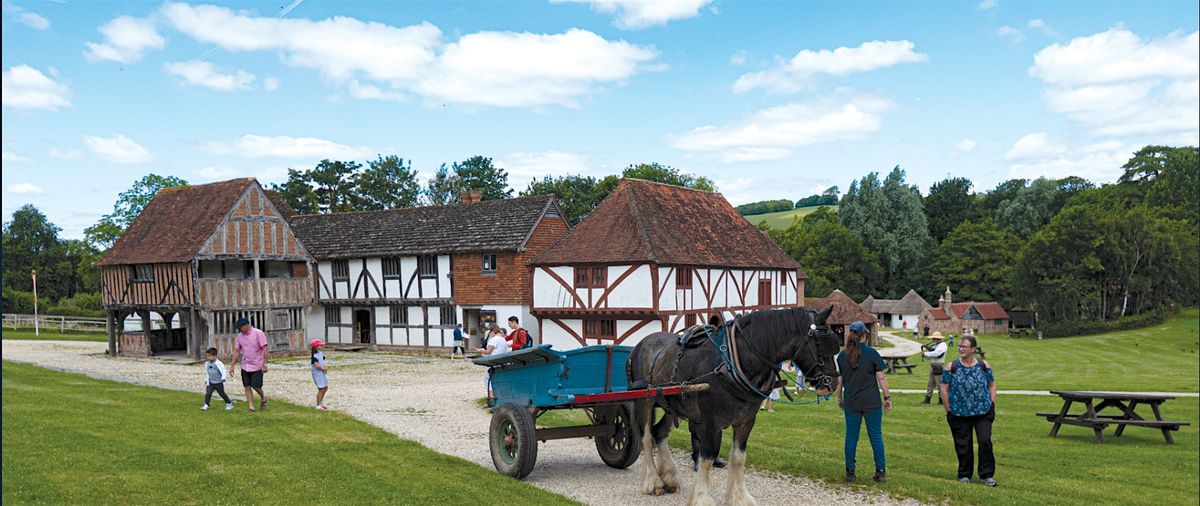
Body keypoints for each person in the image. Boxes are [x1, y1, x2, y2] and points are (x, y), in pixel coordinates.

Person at [834, 320, 891, 484]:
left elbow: (840, 380)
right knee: (876, 436)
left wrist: (839, 398)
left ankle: (850, 472)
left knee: (851, 437)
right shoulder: (871, 353)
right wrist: (887, 398)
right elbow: (881, 377)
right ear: (864, 335)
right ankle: (880, 472)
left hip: (851, 400)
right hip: (871, 401)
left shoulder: (842, 356)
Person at [940, 334, 998, 487]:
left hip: (983, 412)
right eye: (960, 346)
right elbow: (944, 389)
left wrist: (992, 404)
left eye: (964, 346)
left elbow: (991, 385)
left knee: (985, 441)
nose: (961, 349)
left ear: (973, 349)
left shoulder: (983, 365)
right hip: (959, 413)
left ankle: (986, 475)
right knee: (963, 444)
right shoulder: (951, 367)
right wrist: (948, 409)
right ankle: (964, 474)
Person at [230, 317, 269, 413]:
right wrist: (232, 365)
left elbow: (265, 349)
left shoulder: (258, 333)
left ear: (246, 325)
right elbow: (236, 351)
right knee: (247, 386)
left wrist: (264, 364)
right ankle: (251, 407)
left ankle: (263, 398)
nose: (239, 330)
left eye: (240, 327)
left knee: (256, 386)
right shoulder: (239, 336)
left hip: (257, 364)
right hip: (245, 365)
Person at [478, 323, 511, 399]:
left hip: (492, 362)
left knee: (488, 380)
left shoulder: (493, 340)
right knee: (499, 379)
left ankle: (491, 398)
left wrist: (480, 350)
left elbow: (488, 351)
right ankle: (500, 396)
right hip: (501, 362)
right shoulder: (503, 340)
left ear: (492, 332)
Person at [202, 347, 234, 411]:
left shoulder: (218, 363)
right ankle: (206, 404)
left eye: (209, 356)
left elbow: (223, 370)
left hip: (218, 383)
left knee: (222, 394)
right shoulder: (207, 363)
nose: (208, 357)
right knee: (208, 394)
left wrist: (223, 378)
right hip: (210, 382)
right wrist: (206, 380)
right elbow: (208, 373)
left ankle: (229, 403)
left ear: (215, 356)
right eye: (207, 356)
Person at [922, 332, 948, 404]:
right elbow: (932, 357)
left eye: (934, 338)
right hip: (933, 366)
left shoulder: (943, 345)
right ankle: (927, 399)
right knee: (930, 384)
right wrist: (925, 356)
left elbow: (937, 353)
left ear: (938, 338)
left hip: (938, 366)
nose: (933, 339)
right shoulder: (936, 345)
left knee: (939, 384)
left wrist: (925, 353)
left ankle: (941, 400)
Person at [310, 339, 330, 410]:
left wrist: (325, 367)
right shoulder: (313, 356)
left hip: (322, 373)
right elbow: (316, 365)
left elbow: (323, 361)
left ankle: (321, 403)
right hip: (317, 374)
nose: (322, 346)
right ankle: (318, 405)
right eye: (320, 345)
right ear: (316, 347)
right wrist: (322, 368)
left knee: (325, 387)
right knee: (321, 389)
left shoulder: (320, 354)